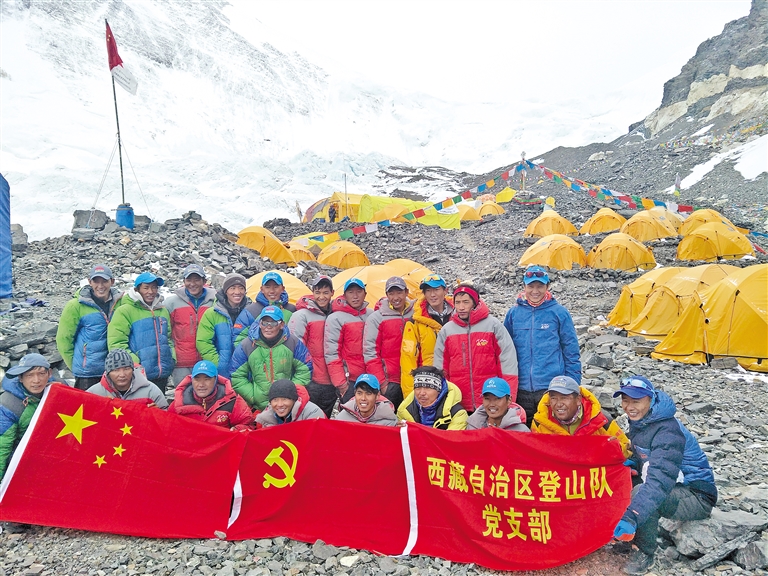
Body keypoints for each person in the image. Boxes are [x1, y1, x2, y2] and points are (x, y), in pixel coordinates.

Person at [612, 376, 717, 575]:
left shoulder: (667, 430)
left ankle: (644, 552)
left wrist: (632, 516)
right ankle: (628, 535)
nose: (629, 407)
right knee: (623, 479)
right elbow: (649, 456)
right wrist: (632, 462)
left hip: (696, 494)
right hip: (673, 483)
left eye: (636, 401)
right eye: (625, 400)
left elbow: (659, 482)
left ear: (650, 399)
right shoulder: (643, 420)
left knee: (643, 492)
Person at [504, 265, 581, 424]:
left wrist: (572, 386)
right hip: (520, 389)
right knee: (522, 432)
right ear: (524, 286)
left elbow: (571, 352)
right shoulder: (513, 313)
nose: (535, 291)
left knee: (550, 431)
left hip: (552, 389)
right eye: (531, 286)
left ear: (547, 286)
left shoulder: (559, 313)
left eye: (540, 286)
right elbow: (504, 351)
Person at [433, 284, 518, 413]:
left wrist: (509, 400)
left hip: (491, 401)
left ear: (475, 302)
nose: (461, 307)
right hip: (458, 402)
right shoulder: (447, 330)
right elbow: (440, 368)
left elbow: (508, 364)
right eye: (457, 302)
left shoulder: (493, 326)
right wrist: (442, 399)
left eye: (466, 302)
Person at [229, 306, 312, 411]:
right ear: (260, 324)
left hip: (287, 406)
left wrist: (290, 392)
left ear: (281, 325)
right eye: (264, 323)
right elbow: (236, 376)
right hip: (258, 408)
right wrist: (253, 396)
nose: (268, 327)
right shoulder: (246, 345)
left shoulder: (293, 343)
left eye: (273, 323)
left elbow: (305, 370)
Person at [56, 263, 125, 390]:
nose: (100, 286)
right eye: (96, 281)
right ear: (89, 282)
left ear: (112, 281)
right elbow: (64, 339)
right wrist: (77, 365)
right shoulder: (76, 306)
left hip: (116, 371)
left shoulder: (121, 303)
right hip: (88, 373)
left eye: (104, 281)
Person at [0, 354, 68, 480]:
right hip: (23, 456)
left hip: (55, 451)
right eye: (29, 375)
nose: (36, 380)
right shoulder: (9, 404)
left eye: (41, 374)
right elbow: (2, 446)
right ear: (20, 377)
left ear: (49, 373)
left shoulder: (62, 390)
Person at [107, 272, 175, 391]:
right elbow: (116, 343)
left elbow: (168, 338)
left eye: (154, 287)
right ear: (137, 290)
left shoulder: (162, 310)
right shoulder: (125, 311)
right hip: (137, 375)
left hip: (161, 373)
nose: (151, 291)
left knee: (158, 402)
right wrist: (135, 363)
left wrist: (171, 357)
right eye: (146, 288)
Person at [531, 375, 630, 456]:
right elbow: (533, 454)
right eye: (553, 398)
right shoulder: (540, 421)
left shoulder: (601, 420)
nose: (559, 404)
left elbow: (627, 449)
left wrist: (616, 448)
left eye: (564, 398)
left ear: (578, 400)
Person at [287, 275, 336, 417]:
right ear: (312, 292)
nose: (321, 297)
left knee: (324, 418)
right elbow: (296, 348)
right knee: (308, 417)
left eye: (326, 293)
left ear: (332, 293)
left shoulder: (335, 314)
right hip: (311, 379)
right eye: (318, 292)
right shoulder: (301, 315)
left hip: (331, 379)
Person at [363, 276, 414, 409]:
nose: (396, 297)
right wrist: (382, 383)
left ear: (406, 292)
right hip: (391, 381)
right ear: (386, 295)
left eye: (399, 292)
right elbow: (370, 352)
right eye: (391, 293)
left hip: (413, 378)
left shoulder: (415, 313)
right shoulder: (376, 318)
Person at [400, 274, 454, 398]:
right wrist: (410, 396)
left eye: (436, 289)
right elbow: (408, 359)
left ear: (445, 291)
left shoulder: (459, 316)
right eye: (428, 291)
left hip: (457, 378)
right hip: (429, 383)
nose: (432, 294)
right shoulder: (415, 323)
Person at [164, 264, 215, 386]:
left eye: (197, 280)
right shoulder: (171, 303)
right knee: (183, 393)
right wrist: (172, 354)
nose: (192, 284)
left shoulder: (214, 301)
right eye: (189, 280)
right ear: (184, 282)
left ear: (204, 281)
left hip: (207, 360)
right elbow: (165, 332)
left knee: (207, 393)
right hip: (182, 363)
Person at [168, 360, 254, 430]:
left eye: (207, 379)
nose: (201, 384)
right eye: (197, 379)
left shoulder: (231, 400)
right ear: (191, 380)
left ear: (216, 380)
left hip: (221, 446)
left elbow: (248, 424)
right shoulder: (180, 402)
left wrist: (236, 430)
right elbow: (168, 427)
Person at [324, 278, 372, 404]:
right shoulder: (335, 318)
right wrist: (340, 383)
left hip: (371, 377)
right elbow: (331, 353)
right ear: (345, 295)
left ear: (365, 294)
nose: (355, 296)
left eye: (359, 292)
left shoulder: (371, 315)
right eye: (351, 292)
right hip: (349, 380)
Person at [196, 273, 251, 379]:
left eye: (241, 288)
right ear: (226, 291)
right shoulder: (212, 313)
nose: (237, 292)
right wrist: (218, 364)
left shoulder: (251, 311)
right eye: (232, 288)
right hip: (221, 373)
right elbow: (203, 342)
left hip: (246, 371)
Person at [86, 349, 168, 408]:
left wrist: (157, 413)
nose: (122, 375)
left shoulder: (151, 391)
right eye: (116, 370)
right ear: (108, 373)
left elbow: (167, 417)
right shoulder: (94, 393)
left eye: (126, 369)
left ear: (132, 369)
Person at [397, 366, 467, 430]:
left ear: (438, 390)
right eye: (418, 388)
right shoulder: (404, 411)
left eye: (428, 388)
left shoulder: (457, 413)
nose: (422, 393)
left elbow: (450, 439)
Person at [235, 271, 296, 344]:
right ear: (262, 289)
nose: (272, 291)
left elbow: (298, 338)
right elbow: (238, 338)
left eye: (276, 287)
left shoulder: (292, 310)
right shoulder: (250, 312)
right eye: (267, 287)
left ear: (283, 288)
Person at [255, 379, 326, 427]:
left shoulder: (312, 412)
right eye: (275, 400)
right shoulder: (267, 416)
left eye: (284, 399)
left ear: (294, 400)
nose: (280, 404)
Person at [333, 374, 398, 426]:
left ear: (377, 396)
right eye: (359, 393)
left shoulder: (389, 422)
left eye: (368, 393)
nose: (363, 398)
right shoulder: (342, 418)